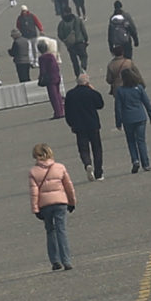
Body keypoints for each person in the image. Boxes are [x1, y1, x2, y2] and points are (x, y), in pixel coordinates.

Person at [28, 141, 78, 270]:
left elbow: (34, 192)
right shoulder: (60, 167)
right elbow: (69, 187)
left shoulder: (33, 172)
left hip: (45, 205)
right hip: (60, 202)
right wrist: (72, 202)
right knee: (62, 230)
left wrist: (35, 209)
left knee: (50, 231)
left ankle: (55, 260)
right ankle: (66, 260)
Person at [63, 71, 108, 180]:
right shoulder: (91, 93)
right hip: (92, 124)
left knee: (83, 148)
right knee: (97, 148)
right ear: (87, 82)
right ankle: (98, 173)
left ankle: (87, 163)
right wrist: (93, 90)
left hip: (79, 126)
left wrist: (71, 124)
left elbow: (67, 112)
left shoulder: (70, 94)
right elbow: (100, 104)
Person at [114, 66, 151, 172]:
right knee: (141, 141)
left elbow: (118, 108)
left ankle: (135, 160)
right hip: (140, 117)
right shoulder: (139, 88)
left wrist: (118, 122)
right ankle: (146, 164)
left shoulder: (120, 91)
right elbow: (147, 103)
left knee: (131, 141)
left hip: (128, 119)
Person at [58, 6, 90, 76]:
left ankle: (77, 75)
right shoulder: (77, 20)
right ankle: (83, 68)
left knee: (74, 61)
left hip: (70, 45)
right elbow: (83, 30)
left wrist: (65, 40)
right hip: (80, 42)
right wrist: (86, 39)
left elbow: (60, 34)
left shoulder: (62, 23)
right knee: (84, 56)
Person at [38, 36, 65, 118]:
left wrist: (40, 78)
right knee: (58, 95)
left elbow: (43, 70)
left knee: (53, 97)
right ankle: (61, 110)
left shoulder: (42, 58)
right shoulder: (52, 56)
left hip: (50, 79)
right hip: (56, 76)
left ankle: (58, 113)